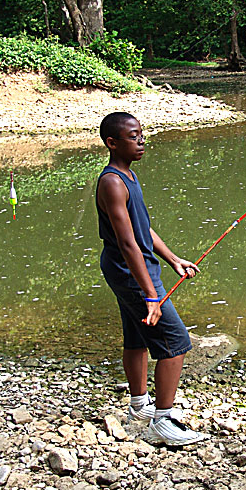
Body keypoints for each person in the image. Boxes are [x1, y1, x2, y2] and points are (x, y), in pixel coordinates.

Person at [96, 111, 207, 446]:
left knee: (136, 336)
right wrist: (149, 294)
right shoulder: (112, 182)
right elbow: (127, 242)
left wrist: (172, 259)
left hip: (130, 267)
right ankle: (163, 421)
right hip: (131, 270)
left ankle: (139, 405)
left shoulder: (127, 176)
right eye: (133, 136)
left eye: (142, 134)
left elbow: (141, 229)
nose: (141, 141)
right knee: (175, 343)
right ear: (112, 143)